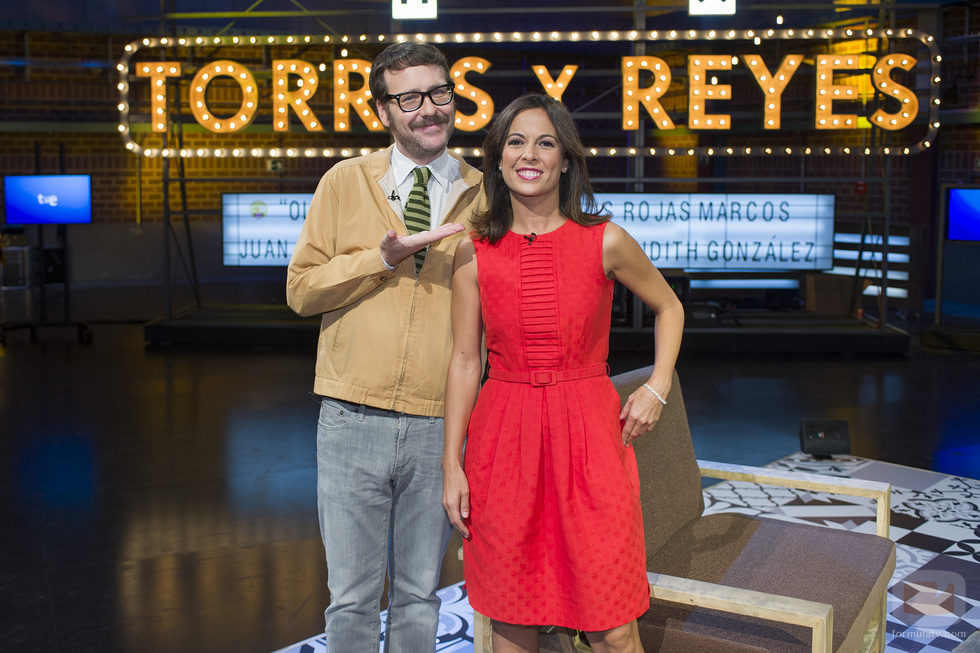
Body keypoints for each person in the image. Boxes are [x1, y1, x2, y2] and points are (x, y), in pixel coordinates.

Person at [441, 94, 684, 653]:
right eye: (516, 142)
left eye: (546, 142)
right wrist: (451, 463)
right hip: (503, 439)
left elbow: (669, 308)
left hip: (590, 436)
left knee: (613, 627)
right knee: (513, 622)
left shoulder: (606, 240)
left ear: (566, 159)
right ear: (498, 160)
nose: (530, 154)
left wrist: (657, 386)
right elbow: (463, 361)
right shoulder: (472, 251)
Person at [286, 42, 484, 653]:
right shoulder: (345, 182)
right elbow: (300, 290)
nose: (429, 109)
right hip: (351, 418)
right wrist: (379, 259)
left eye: (440, 92)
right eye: (410, 98)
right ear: (384, 111)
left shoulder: (484, 193)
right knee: (349, 600)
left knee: (420, 595)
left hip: (438, 427)